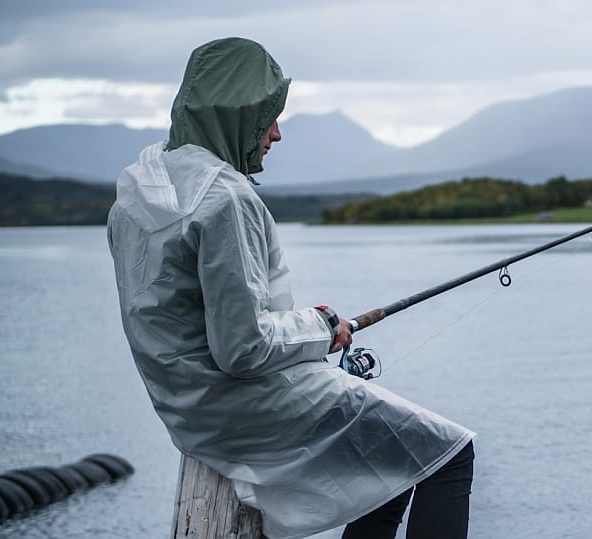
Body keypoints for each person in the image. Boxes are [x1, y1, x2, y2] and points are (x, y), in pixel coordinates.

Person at [107, 37, 475, 539]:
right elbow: (244, 349)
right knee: (449, 452)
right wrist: (324, 325)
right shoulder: (224, 201)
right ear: (237, 115)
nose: (276, 134)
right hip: (244, 402)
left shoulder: (136, 188)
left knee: (386, 470)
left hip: (185, 407)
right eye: (268, 117)